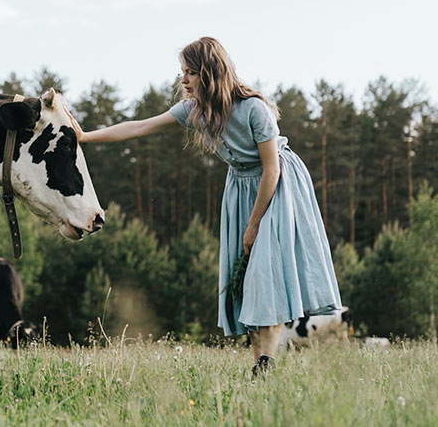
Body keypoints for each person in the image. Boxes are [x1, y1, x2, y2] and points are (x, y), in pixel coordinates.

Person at [70, 36, 341, 376]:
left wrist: (254, 224)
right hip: (240, 187)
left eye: (190, 73)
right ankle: (260, 365)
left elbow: (271, 168)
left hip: (276, 187)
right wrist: (85, 137)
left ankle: (266, 365)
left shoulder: (254, 108)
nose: (183, 80)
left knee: (264, 274)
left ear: (210, 73)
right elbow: (140, 126)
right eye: (182, 72)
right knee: (244, 279)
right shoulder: (195, 111)